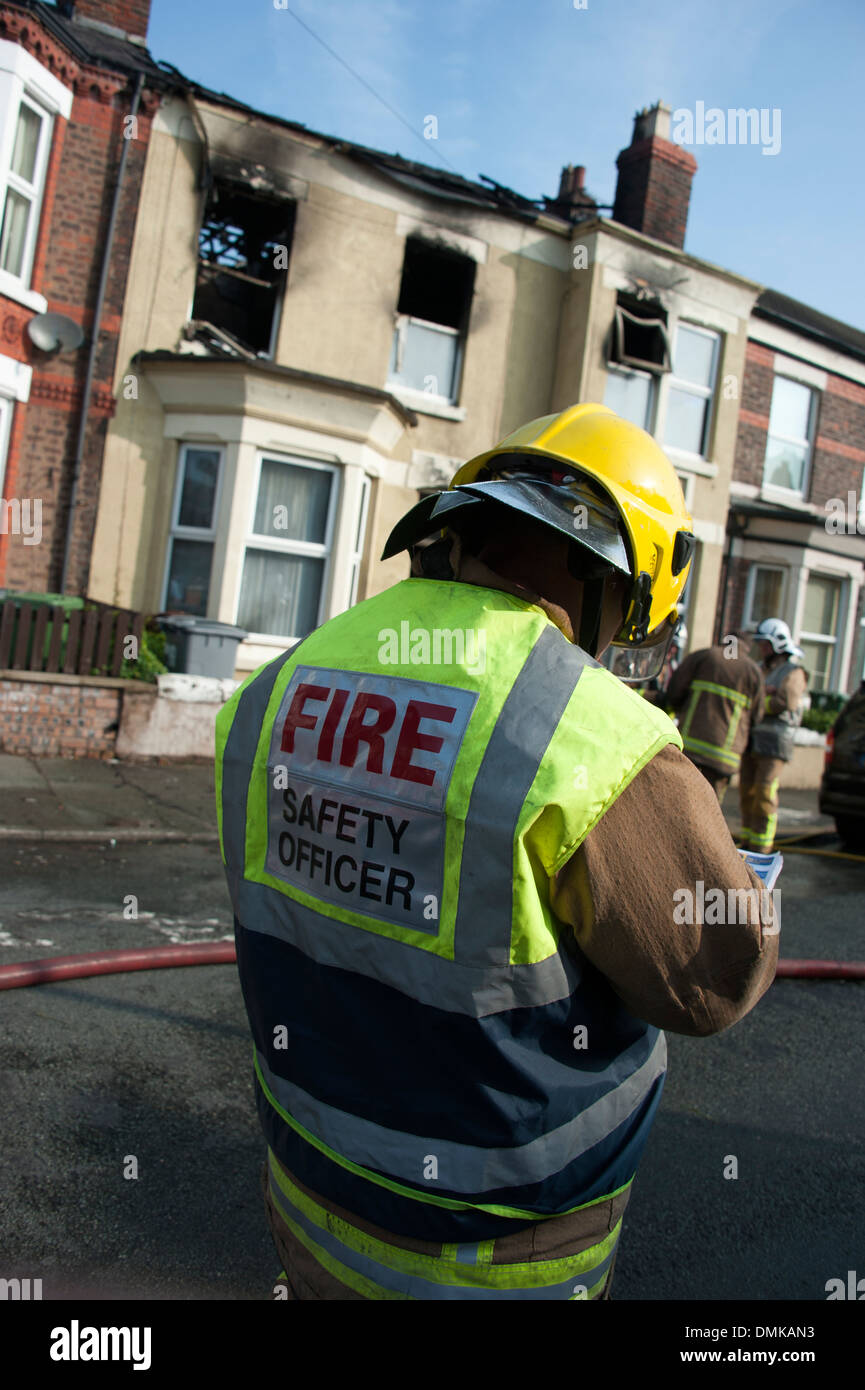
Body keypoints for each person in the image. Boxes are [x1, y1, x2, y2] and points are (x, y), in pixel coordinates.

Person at [215, 403, 779, 1301]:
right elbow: (714, 981)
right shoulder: (592, 733)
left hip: (307, 1189)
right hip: (495, 1252)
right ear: (617, 581)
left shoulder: (278, 686)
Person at [662, 630, 765, 803]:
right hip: (724, 757)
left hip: (690, 748)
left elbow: (674, 694)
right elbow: (757, 716)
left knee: (676, 800)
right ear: (746, 647)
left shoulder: (702, 657)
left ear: (723, 640)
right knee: (710, 810)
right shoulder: (753, 671)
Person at [739, 618, 809, 851]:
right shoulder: (761, 669)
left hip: (775, 744)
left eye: (766, 644)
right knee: (747, 792)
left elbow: (784, 702)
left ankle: (762, 848)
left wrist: (760, 701)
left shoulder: (793, 671)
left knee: (764, 793)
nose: (762, 648)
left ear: (779, 644)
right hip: (754, 741)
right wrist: (764, 693)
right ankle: (747, 842)